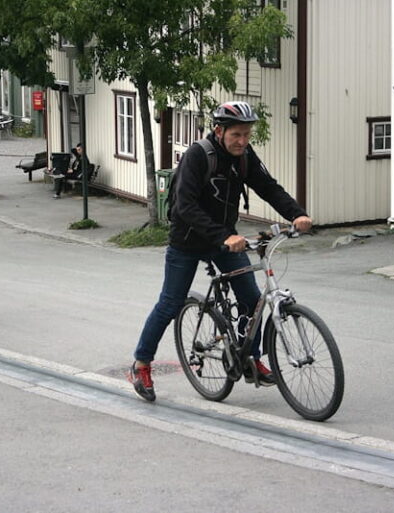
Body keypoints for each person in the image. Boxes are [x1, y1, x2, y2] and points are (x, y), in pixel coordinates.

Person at [127, 101, 313, 402]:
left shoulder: (244, 157)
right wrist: (225, 235)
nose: (242, 141)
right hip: (187, 241)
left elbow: (267, 186)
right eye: (236, 134)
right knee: (170, 303)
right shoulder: (198, 156)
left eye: (247, 135)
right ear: (219, 130)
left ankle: (250, 359)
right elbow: (184, 206)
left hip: (224, 241)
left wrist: (296, 214)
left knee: (252, 300)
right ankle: (142, 364)